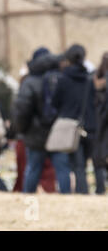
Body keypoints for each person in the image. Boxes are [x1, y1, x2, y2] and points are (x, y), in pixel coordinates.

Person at [13, 47, 71, 194]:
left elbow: (23, 109)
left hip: (35, 133)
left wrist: (22, 129)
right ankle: (67, 199)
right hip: (58, 131)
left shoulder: (30, 81)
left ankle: (28, 200)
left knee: (33, 168)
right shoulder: (62, 79)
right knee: (62, 169)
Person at [52, 44, 96, 194]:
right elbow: (93, 103)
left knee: (72, 164)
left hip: (69, 126)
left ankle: (77, 193)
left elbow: (55, 102)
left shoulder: (63, 79)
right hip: (88, 126)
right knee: (81, 165)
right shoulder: (89, 79)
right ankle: (82, 192)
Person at [92, 52, 108, 194]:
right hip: (103, 124)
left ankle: (100, 188)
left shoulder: (94, 78)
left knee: (98, 159)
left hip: (98, 125)